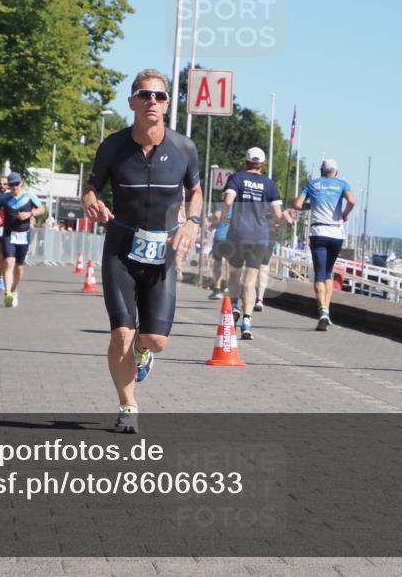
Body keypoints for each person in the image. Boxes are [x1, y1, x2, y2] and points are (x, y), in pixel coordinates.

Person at [82, 69, 202, 433]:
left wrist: (193, 222)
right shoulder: (113, 147)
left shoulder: (184, 148)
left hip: (161, 254)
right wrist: (91, 202)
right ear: (132, 102)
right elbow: (90, 188)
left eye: (160, 96)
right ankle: (128, 405)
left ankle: (144, 352)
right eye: (145, 95)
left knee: (155, 340)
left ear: (167, 105)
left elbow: (195, 192)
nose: (153, 101)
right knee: (121, 332)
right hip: (120, 249)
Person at [221, 147, 289, 340]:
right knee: (250, 281)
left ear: (246, 161)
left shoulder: (236, 178)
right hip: (259, 237)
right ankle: (247, 321)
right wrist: (276, 222)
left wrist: (226, 217)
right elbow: (277, 213)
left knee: (233, 274)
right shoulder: (269, 184)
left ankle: (234, 306)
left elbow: (228, 200)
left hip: (238, 234)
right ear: (263, 164)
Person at [292, 158, 356, 331]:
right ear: (336, 172)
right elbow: (352, 201)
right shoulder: (342, 184)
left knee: (319, 273)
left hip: (318, 232)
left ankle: (322, 312)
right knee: (329, 272)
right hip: (336, 233)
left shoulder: (313, 184)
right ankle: (327, 311)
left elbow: (297, 204)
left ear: (321, 171)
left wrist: (311, 206)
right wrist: (345, 214)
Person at [0, 172, 45, 308]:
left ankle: (14, 290)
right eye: (11, 185)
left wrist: (29, 214)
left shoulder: (29, 196)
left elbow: (42, 209)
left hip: (23, 234)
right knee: (8, 262)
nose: (14, 187)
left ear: (21, 183)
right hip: (8, 234)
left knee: (19, 266)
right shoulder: (4, 198)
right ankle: (7, 294)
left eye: (16, 184)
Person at [207, 207, 233, 300]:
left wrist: (213, 224)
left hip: (220, 237)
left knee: (217, 263)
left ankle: (217, 290)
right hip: (232, 238)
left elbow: (216, 215)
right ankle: (227, 288)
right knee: (229, 264)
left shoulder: (223, 204)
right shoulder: (240, 206)